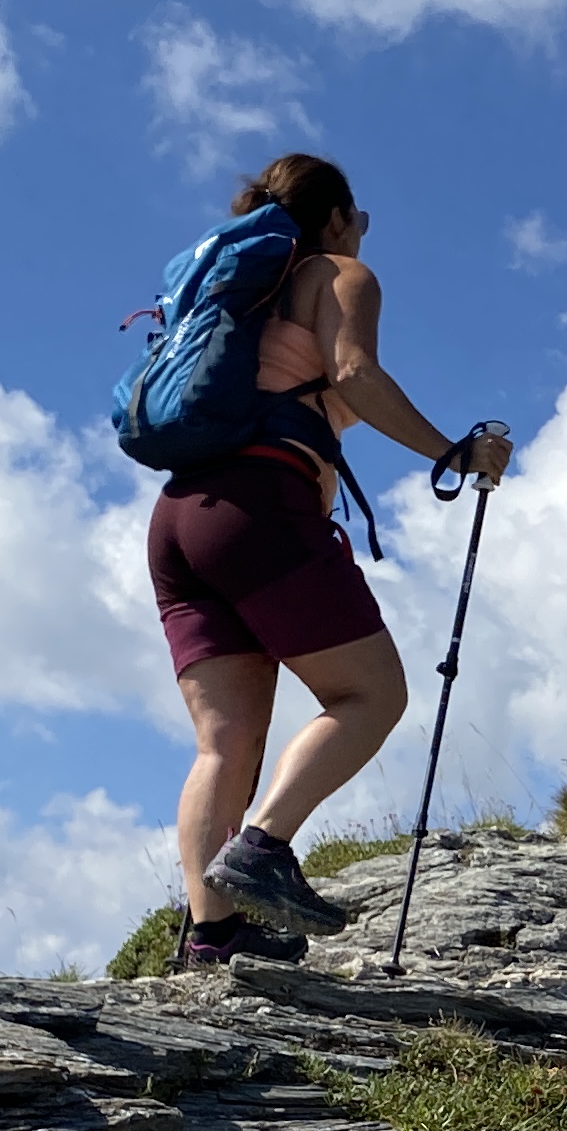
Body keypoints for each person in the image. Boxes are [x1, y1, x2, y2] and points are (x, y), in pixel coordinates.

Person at [147, 153, 510, 968]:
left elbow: (325, 398)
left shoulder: (236, 306)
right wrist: (455, 452)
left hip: (178, 523)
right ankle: (263, 848)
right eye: (363, 220)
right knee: (371, 693)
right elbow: (354, 372)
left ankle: (213, 937)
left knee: (223, 744)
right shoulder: (338, 274)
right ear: (338, 217)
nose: (365, 236)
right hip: (259, 512)